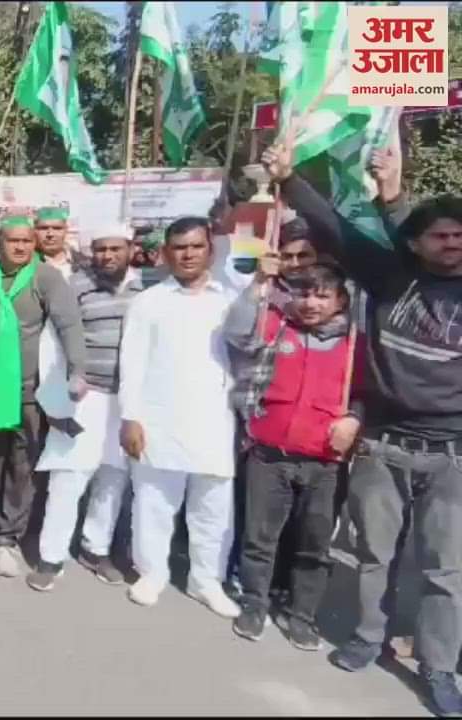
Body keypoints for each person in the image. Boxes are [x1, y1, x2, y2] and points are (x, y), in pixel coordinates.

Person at [264, 138, 462, 714]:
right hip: (383, 445)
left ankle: (440, 666)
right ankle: (367, 639)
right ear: (417, 243)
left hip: (451, 453)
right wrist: (289, 176)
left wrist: (396, 193)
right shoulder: (389, 278)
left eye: (458, 234)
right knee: (373, 556)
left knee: (444, 569)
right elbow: (332, 229)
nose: (450, 244)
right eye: (439, 235)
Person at [223, 257, 357, 650]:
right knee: (259, 539)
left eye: (322, 295)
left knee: (313, 545)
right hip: (269, 454)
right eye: (303, 293)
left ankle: (302, 615)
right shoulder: (277, 324)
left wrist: (354, 419)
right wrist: (257, 284)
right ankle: (254, 604)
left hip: (325, 462)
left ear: (340, 300)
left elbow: (369, 394)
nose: (311, 303)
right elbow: (236, 332)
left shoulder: (354, 344)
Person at [118, 216, 241, 618]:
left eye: (196, 247)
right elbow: (131, 361)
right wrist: (130, 416)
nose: (188, 255)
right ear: (167, 253)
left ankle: (206, 581)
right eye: (179, 248)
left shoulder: (230, 299)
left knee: (213, 508)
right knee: (153, 503)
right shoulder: (148, 301)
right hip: (159, 419)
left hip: (214, 420)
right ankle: (151, 573)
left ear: (211, 250)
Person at [0, 214, 86, 579]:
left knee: (22, 466)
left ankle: (6, 538)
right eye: (12, 240)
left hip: (32, 391)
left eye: (26, 241)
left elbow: (69, 324)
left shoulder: (47, 278)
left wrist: (78, 370)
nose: (20, 247)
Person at [31, 224, 144, 590]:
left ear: (130, 248)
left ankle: (95, 549)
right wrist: (57, 399)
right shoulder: (75, 286)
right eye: (100, 249)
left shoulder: (148, 289)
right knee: (68, 477)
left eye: (115, 248)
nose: (107, 256)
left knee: (113, 477)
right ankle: (51, 557)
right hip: (84, 396)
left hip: (128, 400)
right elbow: (54, 342)